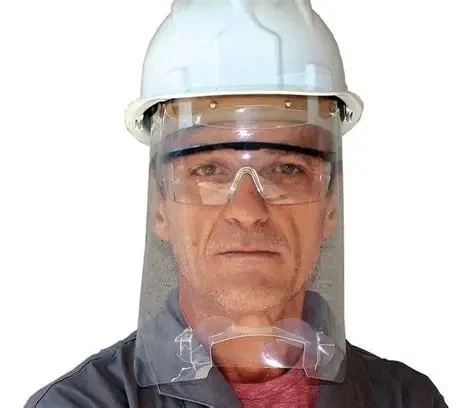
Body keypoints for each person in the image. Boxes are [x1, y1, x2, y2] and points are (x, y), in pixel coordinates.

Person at [25, 1, 448, 407]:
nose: (247, 210)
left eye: (286, 169)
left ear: (331, 203)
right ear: (160, 205)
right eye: (208, 170)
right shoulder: (83, 404)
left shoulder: (406, 399)